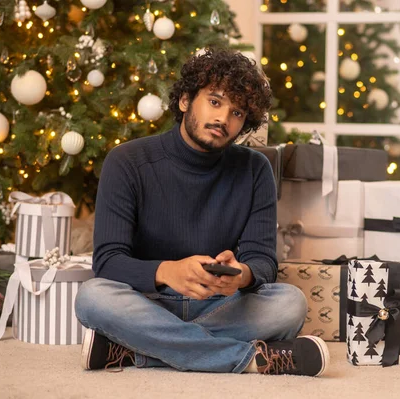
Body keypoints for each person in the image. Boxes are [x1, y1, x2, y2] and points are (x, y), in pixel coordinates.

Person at [75, 48, 330, 377]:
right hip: (147, 302)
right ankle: (251, 359)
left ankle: (137, 350)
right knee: (92, 297)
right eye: (215, 101)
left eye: (237, 112)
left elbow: (263, 261)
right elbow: (108, 261)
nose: (224, 118)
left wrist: (241, 274)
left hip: (219, 304)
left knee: (289, 303)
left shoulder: (255, 170)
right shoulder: (127, 162)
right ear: (184, 100)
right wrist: (168, 272)